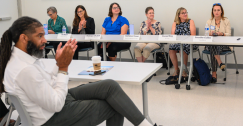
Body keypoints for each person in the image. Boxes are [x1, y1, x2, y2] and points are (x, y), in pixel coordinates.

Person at [0, 16, 155, 126]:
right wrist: (63, 68)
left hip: (55, 100)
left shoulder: (19, 58)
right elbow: (56, 105)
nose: (45, 40)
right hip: (53, 116)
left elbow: (43, 81)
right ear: (23, 38)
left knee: (109, 85)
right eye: (40, 36)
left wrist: (58, 64)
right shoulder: (25, 70)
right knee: (115, 105)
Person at [204, 3, 231, 83]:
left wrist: (222, 34)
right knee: (213, 46)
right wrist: (210, 33)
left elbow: (229, 34)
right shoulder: (209, 21)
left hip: (224, 44)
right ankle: (220, 62)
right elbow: (206, 33)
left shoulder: (226, 21)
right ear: (212, 12)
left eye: (218, 10)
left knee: (214, 48)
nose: (216, 12)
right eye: (215, 10)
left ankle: (214, 74)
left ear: (221, 11)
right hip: (211, 44)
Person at [169, 7, 198, 77]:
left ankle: (184, 70)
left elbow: (193, 35)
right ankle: (176, 70)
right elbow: (172, 35)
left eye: (186, 12)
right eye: (183, 13)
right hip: (178, 42)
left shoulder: (190, 21)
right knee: (171, 49)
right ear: (179, 15)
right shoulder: (175, 23)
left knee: (182, 49)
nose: (185, 14)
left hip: (189, 42)